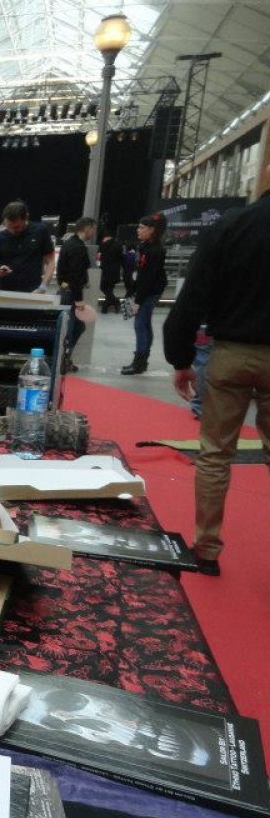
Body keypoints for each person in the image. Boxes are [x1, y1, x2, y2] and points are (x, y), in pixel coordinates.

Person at [162, 164, 270, 577]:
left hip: (231, 353)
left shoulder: (231, 226)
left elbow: (194, 295)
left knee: (215, 454)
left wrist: (181, 359)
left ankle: (206, 548)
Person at [122, 213, 168, 375]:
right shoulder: (146, 246)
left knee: (140, 325)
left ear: (152, 230)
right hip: (147, 289)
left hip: (150, 291)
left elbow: (148, 278)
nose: (138, 230)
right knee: (145, 324)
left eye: (142, 227)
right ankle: (142, 361)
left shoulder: (155, 250)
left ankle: (139, 362)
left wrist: (138, 301)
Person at [0, 200, 55, 293]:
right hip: (4, 292)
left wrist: (42, 288)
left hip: (33, 292)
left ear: (26, 217)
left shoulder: (40, 231)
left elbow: (50, 263)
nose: (12, 231)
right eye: (8, 226)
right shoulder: (0, 237)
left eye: (16, 227)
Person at [56, 215, 96, 370]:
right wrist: (79, 300)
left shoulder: (68, 244)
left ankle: (65, 359)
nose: (94, 232)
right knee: (71, 329)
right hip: (72, 294)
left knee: (75, 327)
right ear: (87, 228)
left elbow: (62, 271)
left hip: (65, 291)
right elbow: (75, 276)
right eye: (93, 229)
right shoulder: (78, 248)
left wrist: (63, 283)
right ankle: (63, 362)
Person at [97, 231, 123, 314]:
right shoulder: (118, 245)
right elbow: (120, 257)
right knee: (110, 289)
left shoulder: (104, 245)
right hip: (115, 271)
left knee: (103, 287)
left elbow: (100, 255)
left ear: (107, 237)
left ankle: (116, 302)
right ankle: (106, 307)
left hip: (105, 271)